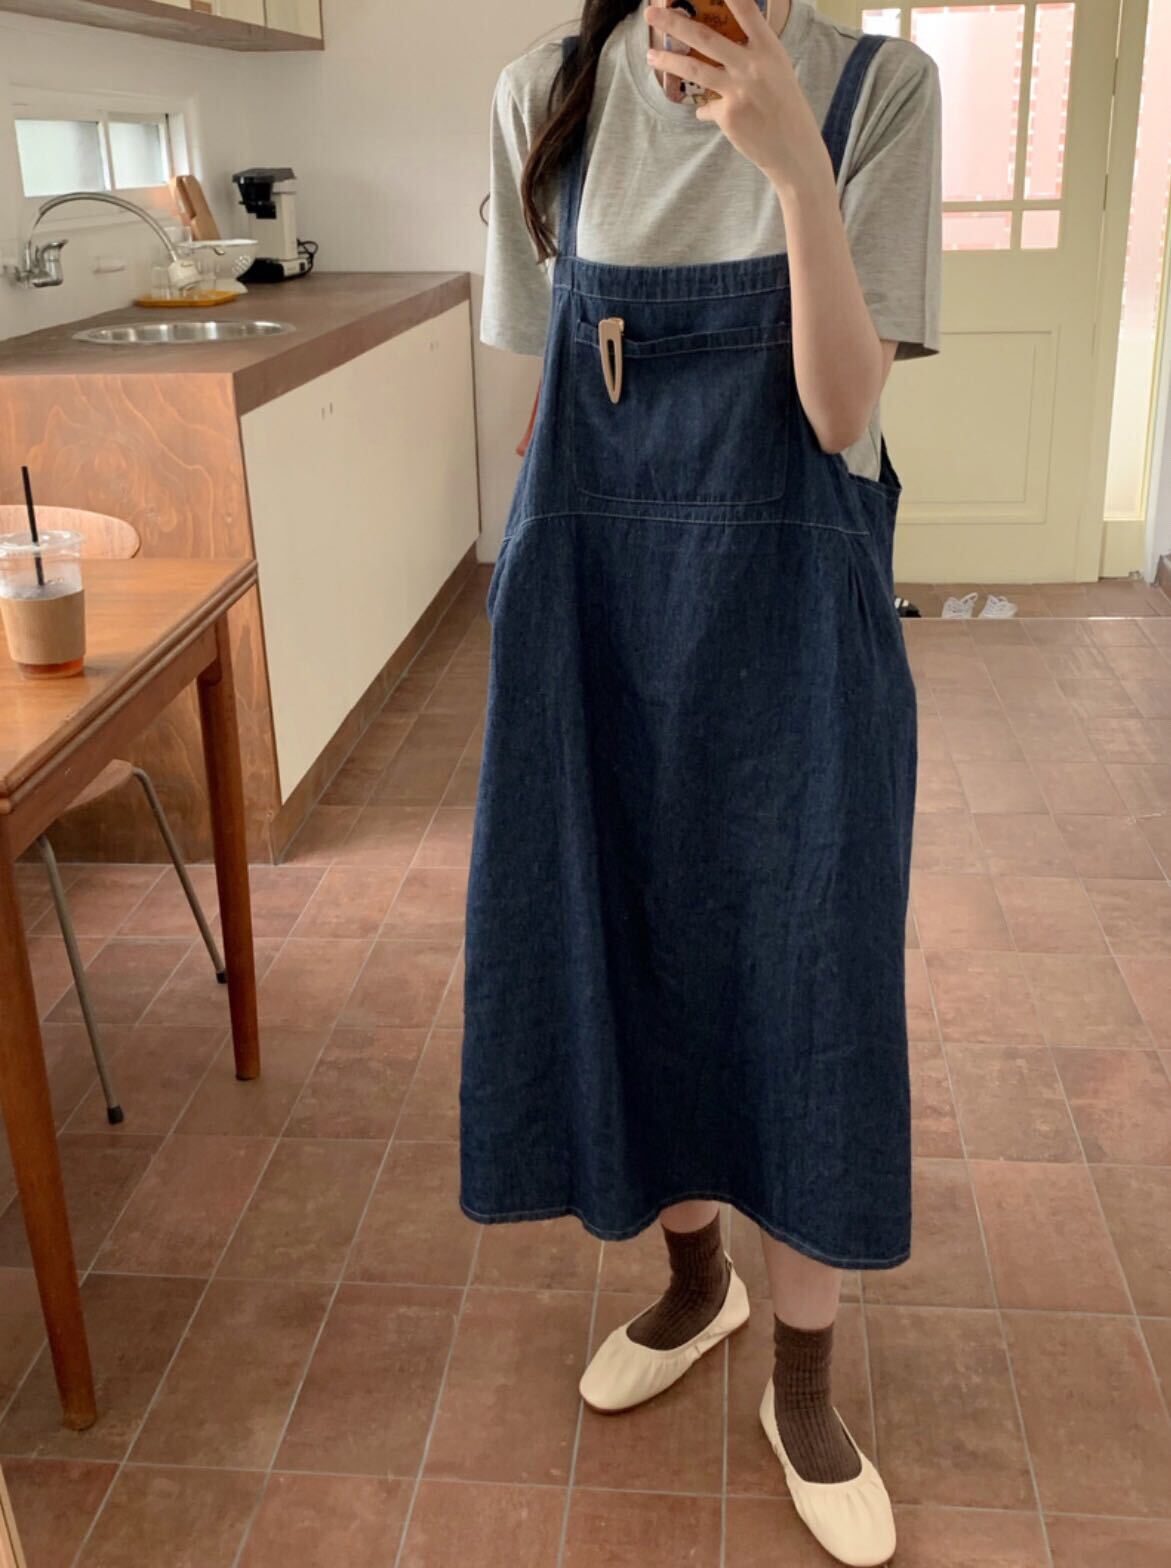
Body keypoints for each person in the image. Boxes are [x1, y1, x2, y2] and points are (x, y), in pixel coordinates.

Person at [464, 3, 941, 1562]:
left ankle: (804, 1385)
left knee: (808, 988)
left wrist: (795, 167)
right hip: (600, 624)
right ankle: (693, 1285)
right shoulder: (542, 97)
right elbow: (549, 394)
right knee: (633, 960)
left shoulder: (879, 89)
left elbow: (842, 412)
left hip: (797, 630)